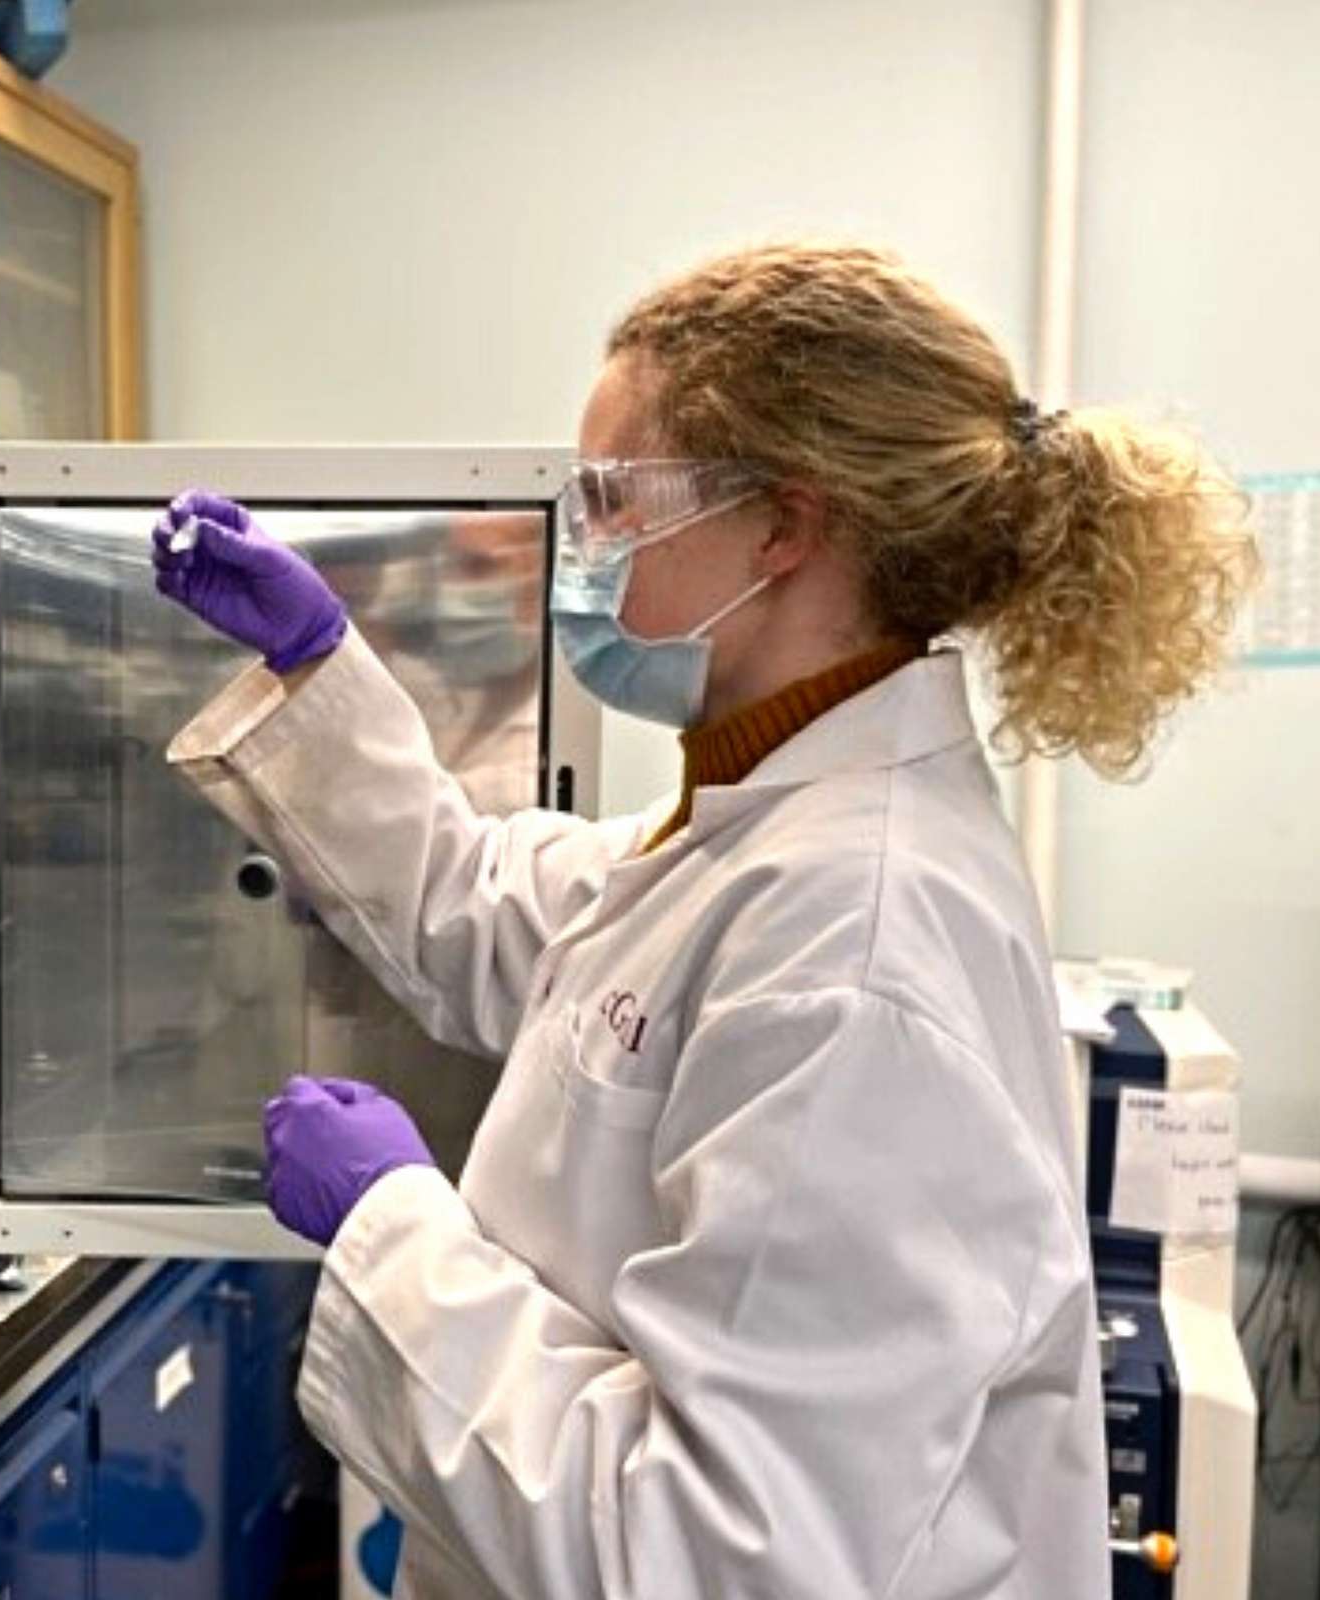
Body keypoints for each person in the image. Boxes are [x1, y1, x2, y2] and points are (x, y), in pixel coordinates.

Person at [150, 242, 1256, 1599]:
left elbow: (717, 1555)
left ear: (784, 529)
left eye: (615, 499)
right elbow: (485, 912)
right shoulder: (762, 825)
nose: (587, 544)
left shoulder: (855, 951)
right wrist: (319, 668)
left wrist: (394, 1231)